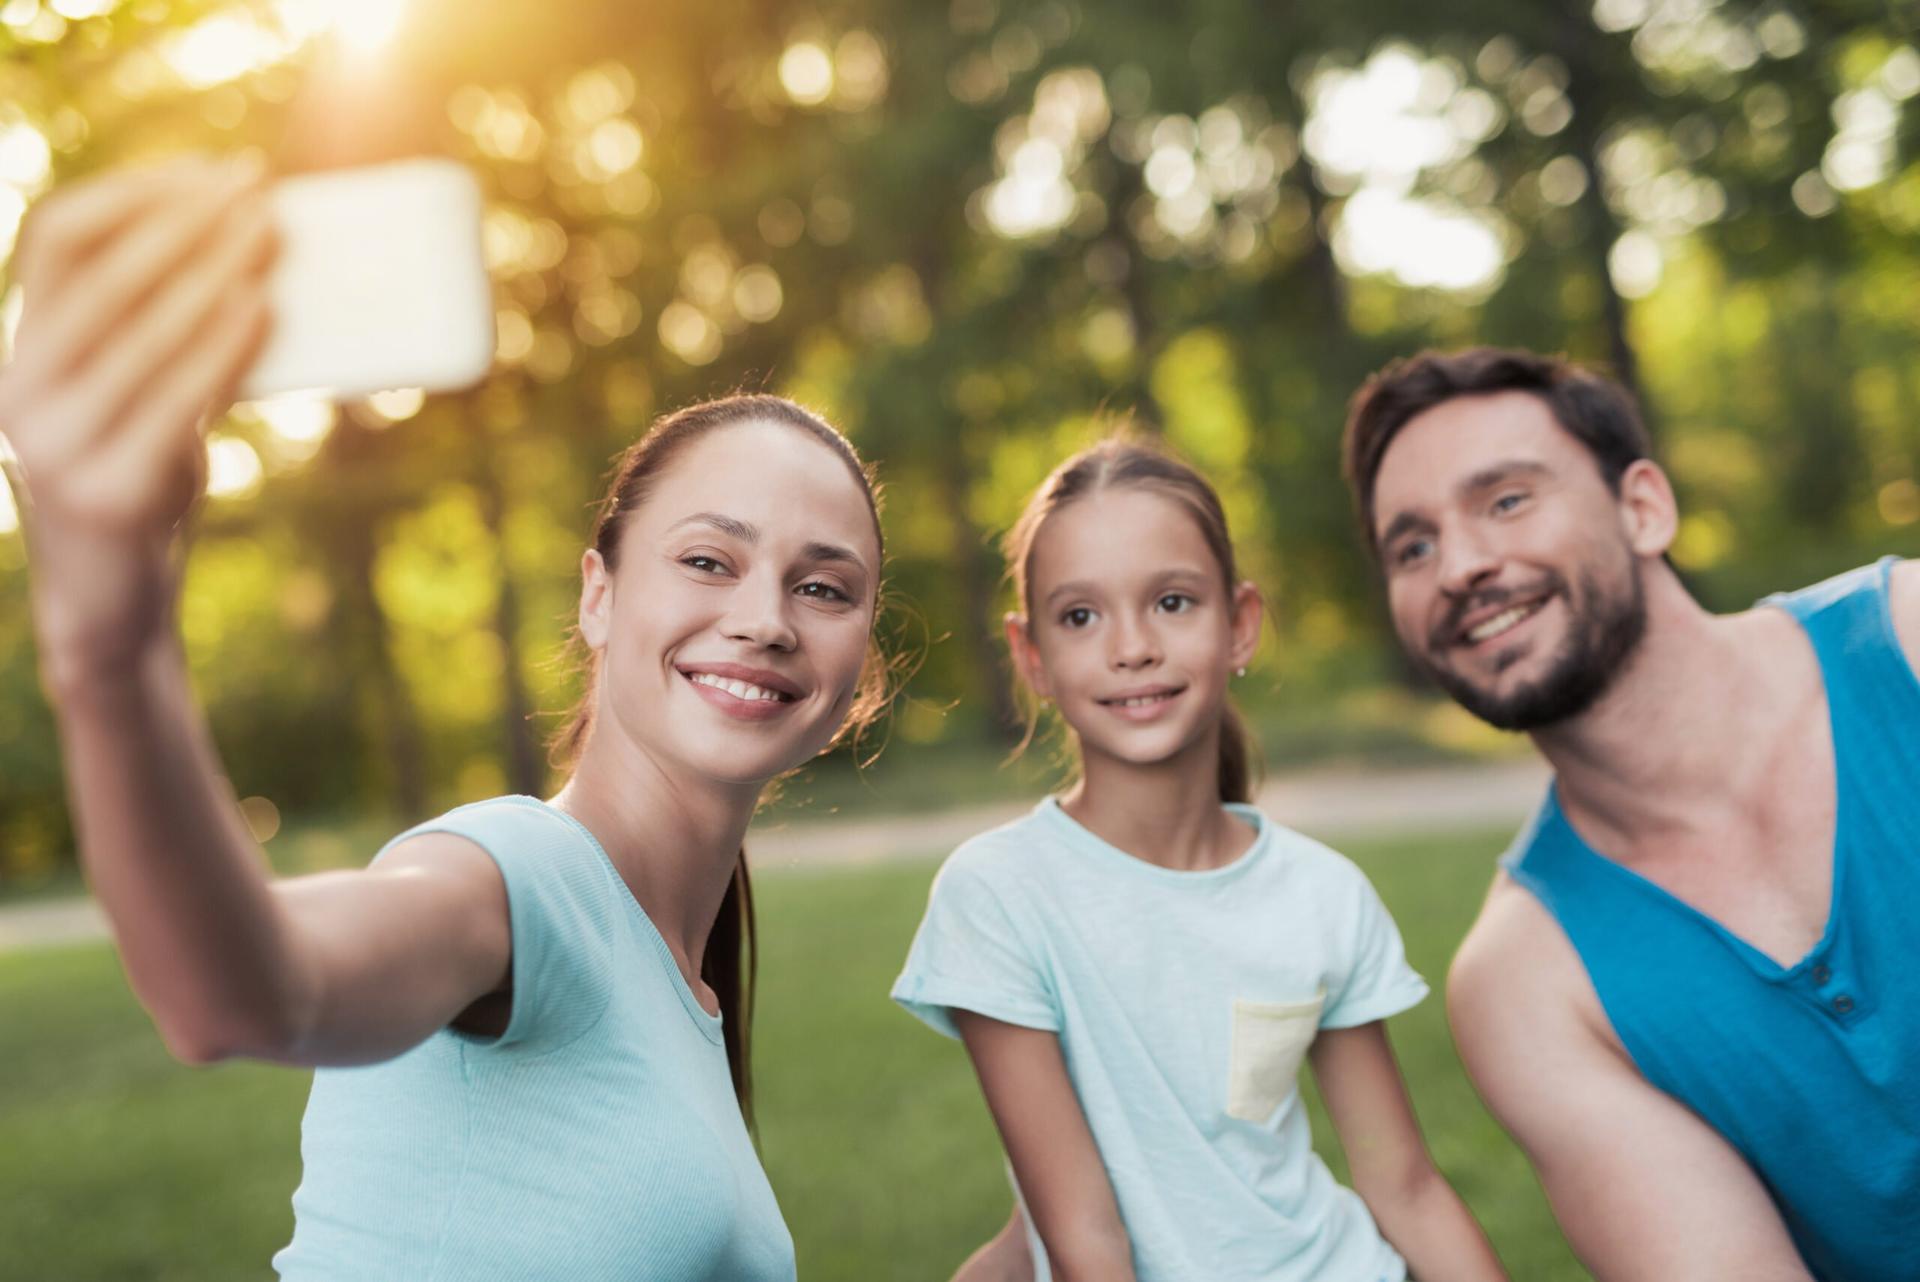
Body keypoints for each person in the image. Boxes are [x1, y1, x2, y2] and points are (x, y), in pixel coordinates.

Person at [0, 157, 895, 1279]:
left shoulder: (682, 975)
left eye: (823, 587)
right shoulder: (519, 880)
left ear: (862, 665)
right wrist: (108, 645)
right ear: (599, 596)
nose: (765, 619)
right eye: (709, 560)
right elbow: (248, 988)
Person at [1342, 346, 1920, 1282]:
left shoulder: (1909, 643)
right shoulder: (1529, 985)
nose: (1461, 566)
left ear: (1643, 507)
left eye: (1506, 501)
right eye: (1413, 547)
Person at [891, 435, 1507, 1282]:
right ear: (1032, 656)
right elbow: (1084, 1237)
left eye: (1173, 602)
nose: (1132, 646)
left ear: (1240, 626)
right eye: (1080, 616)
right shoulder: (999, 894)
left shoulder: (1322, 894)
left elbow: (1404, 1186)